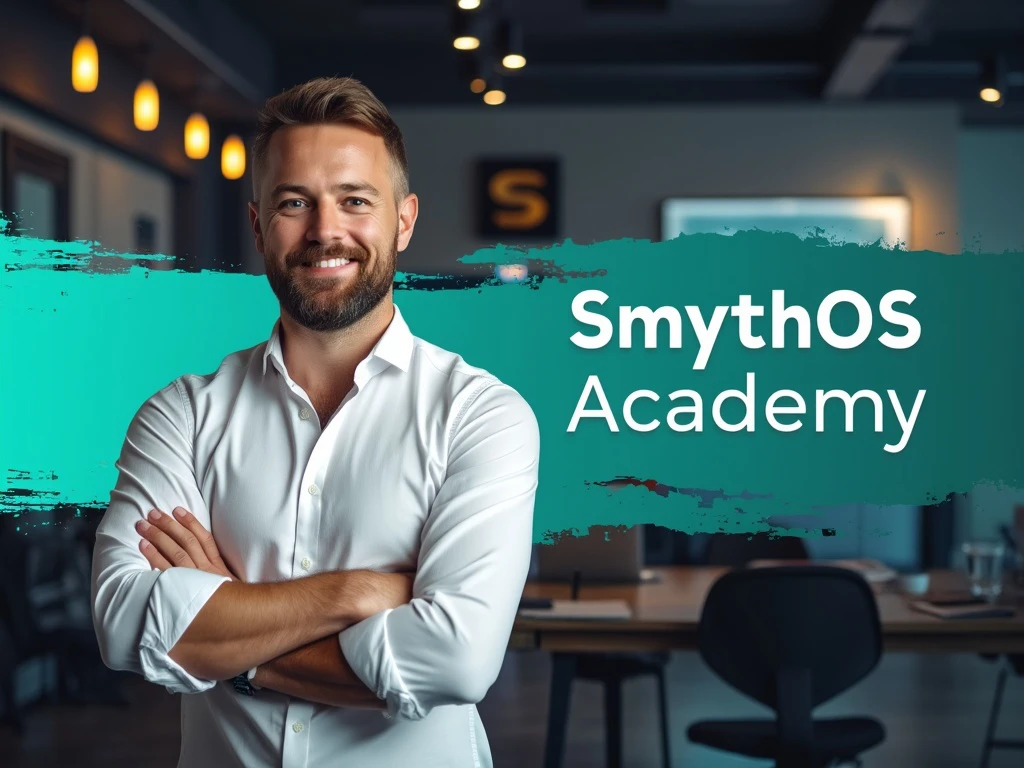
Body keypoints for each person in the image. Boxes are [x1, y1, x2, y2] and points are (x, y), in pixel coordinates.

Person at [90, 76, 540, 768]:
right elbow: (124, 624)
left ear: (404, 220)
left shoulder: (481, 416)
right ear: (258, 223)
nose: (325, 231)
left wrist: (234, 641)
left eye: (355, 200)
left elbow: (455, 661)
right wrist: (358, 592)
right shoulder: (180, 414)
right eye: (294, 203)